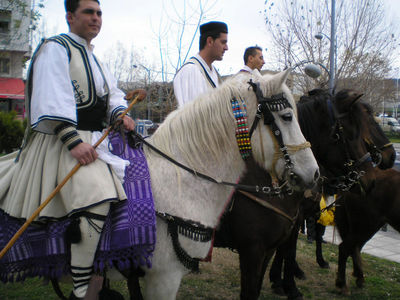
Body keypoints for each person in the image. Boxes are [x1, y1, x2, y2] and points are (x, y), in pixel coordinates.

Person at [0, 1, 134, 299]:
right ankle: (82, 289)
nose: (96, 18)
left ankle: (104, 274)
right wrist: (73, 142)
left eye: (99, 13)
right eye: (89, 12)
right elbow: (50, 99)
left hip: (96, 139)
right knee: (96, 197)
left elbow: (111, 95)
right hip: (59, 142)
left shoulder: (96, 59)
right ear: (70, 16)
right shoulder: (55, 48)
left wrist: (120, 113)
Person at [173, 21, 228, 107]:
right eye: (223, 42)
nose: (226, 48)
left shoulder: (214, 73)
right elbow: (191, 116)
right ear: (210, 41)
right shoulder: (191, 71)